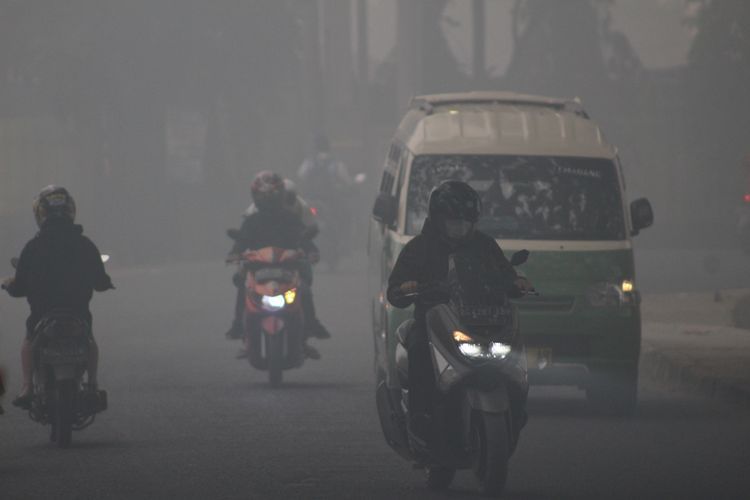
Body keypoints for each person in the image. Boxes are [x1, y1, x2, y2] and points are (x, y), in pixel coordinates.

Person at [386, 180, 533, 445]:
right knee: (419, 348)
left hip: (482, 321)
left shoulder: (485, 246)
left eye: (467, 222)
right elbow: (395, 290)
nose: (461, 228)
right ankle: (422, 418)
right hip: (435, 324)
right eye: (455, 222)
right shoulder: (419, 248)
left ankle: (518, 408)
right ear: (438, 220)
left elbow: (505, 274)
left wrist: (516, 282)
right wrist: (405, 287)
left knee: (516, 352)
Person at [1, 186, 113, 409]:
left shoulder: (33, 247)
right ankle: (92, 384)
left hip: (42, 315)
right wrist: (105, 283)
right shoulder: (85, 244)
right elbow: (101, 282)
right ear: (71, 211)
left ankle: (27, 387)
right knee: (89, 340)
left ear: (40, 214)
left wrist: (8, 285)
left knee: (29, 341)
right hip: (78, 313)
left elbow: (19, 286)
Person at [225, 171, 330, 359]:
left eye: (271, 196)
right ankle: (239, 327)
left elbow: (303, 238)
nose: (267, 200)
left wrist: (312, 251)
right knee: (243, 286)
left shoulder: (291, 218)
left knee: (303, 289)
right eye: (263, 196)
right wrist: (234, 253)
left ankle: (310, 326)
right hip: (257, 269)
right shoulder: (252, 220)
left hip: (288, 268)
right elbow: (241, 240)